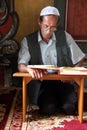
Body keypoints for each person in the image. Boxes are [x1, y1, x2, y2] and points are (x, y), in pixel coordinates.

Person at [18, 6, 85, 115]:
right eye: (46, 26)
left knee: (70, 109)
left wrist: (73, 74)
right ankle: (54, 102)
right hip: (43, 83)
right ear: (39, 22)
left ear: (57, 25)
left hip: (63, 81)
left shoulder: (64, 36)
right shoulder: (28, 40)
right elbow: (21, 65)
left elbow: (80, 59)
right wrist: (29, 69)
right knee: (48, 109)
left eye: (53, 27)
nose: (49, 31)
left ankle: (63, 101)